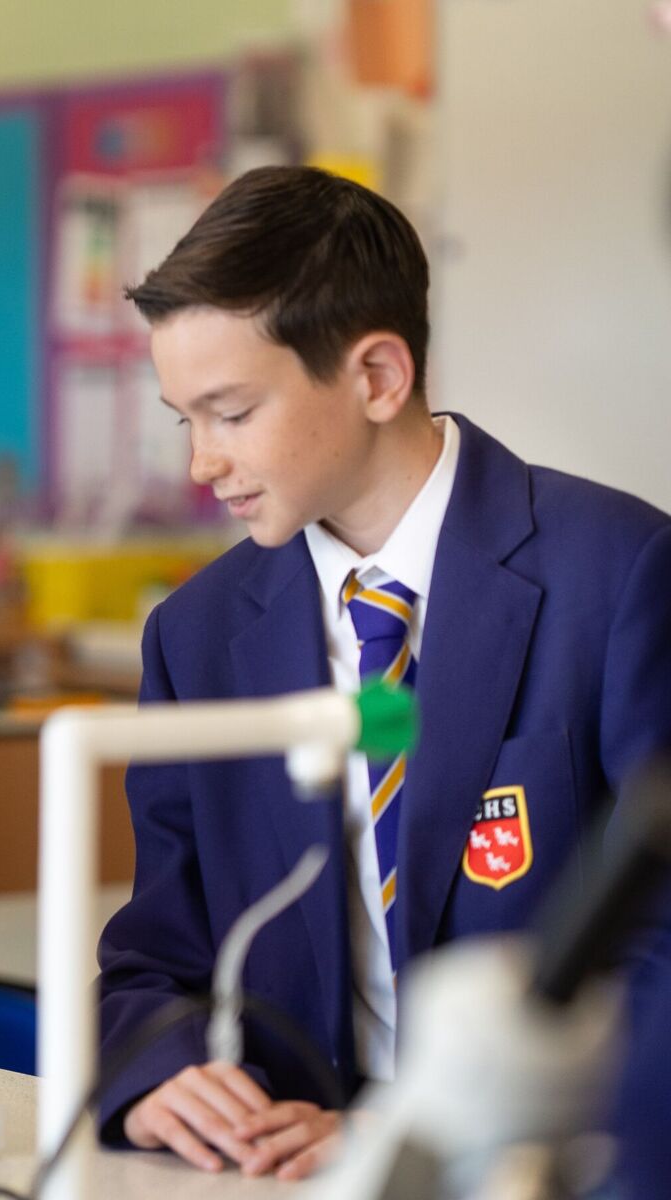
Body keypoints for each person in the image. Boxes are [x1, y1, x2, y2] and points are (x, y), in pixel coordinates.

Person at [97, 166, 671, 1180]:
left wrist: (422, 1129)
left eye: (228, 413)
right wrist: (159, 1074)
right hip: (281, 1175)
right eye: (180, 418)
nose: (198, 464)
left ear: (374, 377)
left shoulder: (618, 571)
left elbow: (659, 943)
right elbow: (156, 959)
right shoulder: (196, 635)